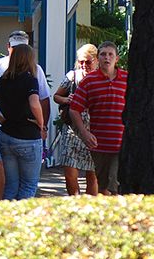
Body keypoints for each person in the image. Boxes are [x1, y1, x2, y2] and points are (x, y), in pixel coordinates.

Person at [0, 30, 51, 201]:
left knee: (11, 185)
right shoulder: (32, 77)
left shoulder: (2, 78)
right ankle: (20, 224)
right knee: (28, 186)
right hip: (27, 136)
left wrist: (0, 119)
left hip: (6, 133)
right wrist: (40, 124)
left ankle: (6, 219)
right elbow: (36, 102)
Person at [69, 41, 128, 194]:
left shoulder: (127, 79)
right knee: (103, 187)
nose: (107, 58)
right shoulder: (89, 81)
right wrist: (84, 132)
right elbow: (74, 109)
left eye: (110, 54)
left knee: (115, 186)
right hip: (99, 143)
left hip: (123, 142)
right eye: (103, 54)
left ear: (117, 58)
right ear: (98, 58)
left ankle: (117, 216)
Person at [53, 44, 99, 195]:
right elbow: (56, 96)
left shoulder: (101, 77)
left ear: (96, 60)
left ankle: (91, 209)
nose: (84, 65)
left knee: (93, 173)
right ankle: (76, 202)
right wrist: (67, 99)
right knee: (69, 171)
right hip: (73, 130)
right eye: (81, 61)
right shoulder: (72, 76)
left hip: (94, 130)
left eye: (88, 61)